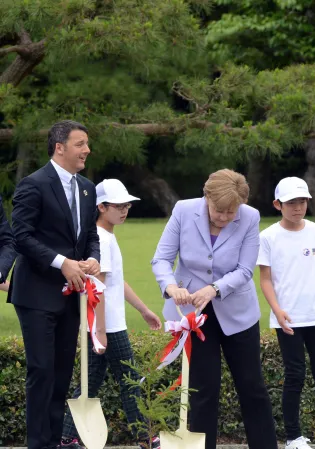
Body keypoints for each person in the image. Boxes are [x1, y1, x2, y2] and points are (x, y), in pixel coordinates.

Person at [151, 169, 278, 449]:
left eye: (231, 212)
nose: (224, 217)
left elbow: (245, 269)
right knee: (203, 390)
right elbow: (161, 259)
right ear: (206, 196)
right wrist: (172, 287)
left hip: (237, 313)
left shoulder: (250, 217)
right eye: (219, 210)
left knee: (252, 387)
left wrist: (215, 288)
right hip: (193, 316)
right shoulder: (183, 211)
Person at [9, 120, 101, 449]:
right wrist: (63, 263)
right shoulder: (33, 185)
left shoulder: (88, 188)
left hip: (70, 297)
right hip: (36, 294)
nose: (87, 150)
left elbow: (90, 236)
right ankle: (39, 444)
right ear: (59, 147)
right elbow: (21, 236)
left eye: (87, 144)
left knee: (62, 374)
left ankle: (52, 442)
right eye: (80, 144)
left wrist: (92, 260)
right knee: (42, 371)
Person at [60, 179, 162, 449]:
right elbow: (98, 288)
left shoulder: (106, 236)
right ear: (101, 207)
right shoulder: (101, 239)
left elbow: (118, 282)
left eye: (127, 205)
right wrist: (101, 331)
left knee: (89, 383)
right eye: (118, 206)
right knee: (131, 378)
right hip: (108, 326)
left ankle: (68, 437)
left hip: (104, 325)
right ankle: (146, 437)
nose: (124, 210)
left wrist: (143, 310)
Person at [257, 176, 315, 449]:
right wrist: (277, 310)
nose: (298, 207)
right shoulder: (268, 237)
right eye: (291, 203)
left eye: (302, 201)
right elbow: (265, 278)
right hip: (288, 317)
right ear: (278, 204)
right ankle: (293, 437)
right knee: (295, 374)